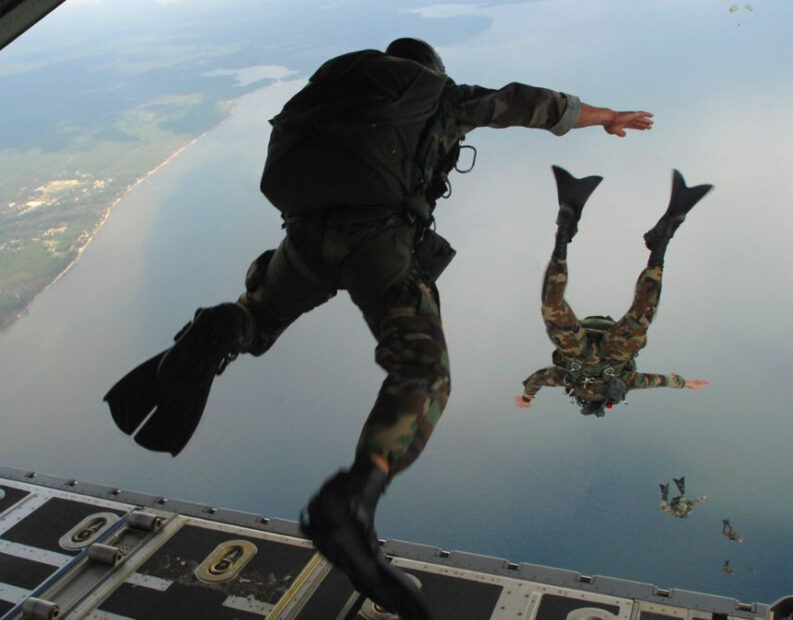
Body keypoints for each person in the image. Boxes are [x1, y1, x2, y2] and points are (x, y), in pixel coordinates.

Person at [104, 38, 654, 619]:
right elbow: (527, 103)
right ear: (430, 70)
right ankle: (352, 503)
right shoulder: (441, 97)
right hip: (379, 241)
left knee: (258, 317)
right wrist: (605, 117)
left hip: (304, 238)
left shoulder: (332, 96)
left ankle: (222, 327)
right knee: (423, 372)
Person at [514, 166, 711, 418]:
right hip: (613, 353)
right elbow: (658, 380)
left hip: (580, 350)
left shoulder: (569, 379)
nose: (589, 397)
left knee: (554, 307)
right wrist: (684, 384)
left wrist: (527, 396)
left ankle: (566, 225)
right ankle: (661, 241)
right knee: (642, 314)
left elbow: (539, 378)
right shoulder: (620, 383)